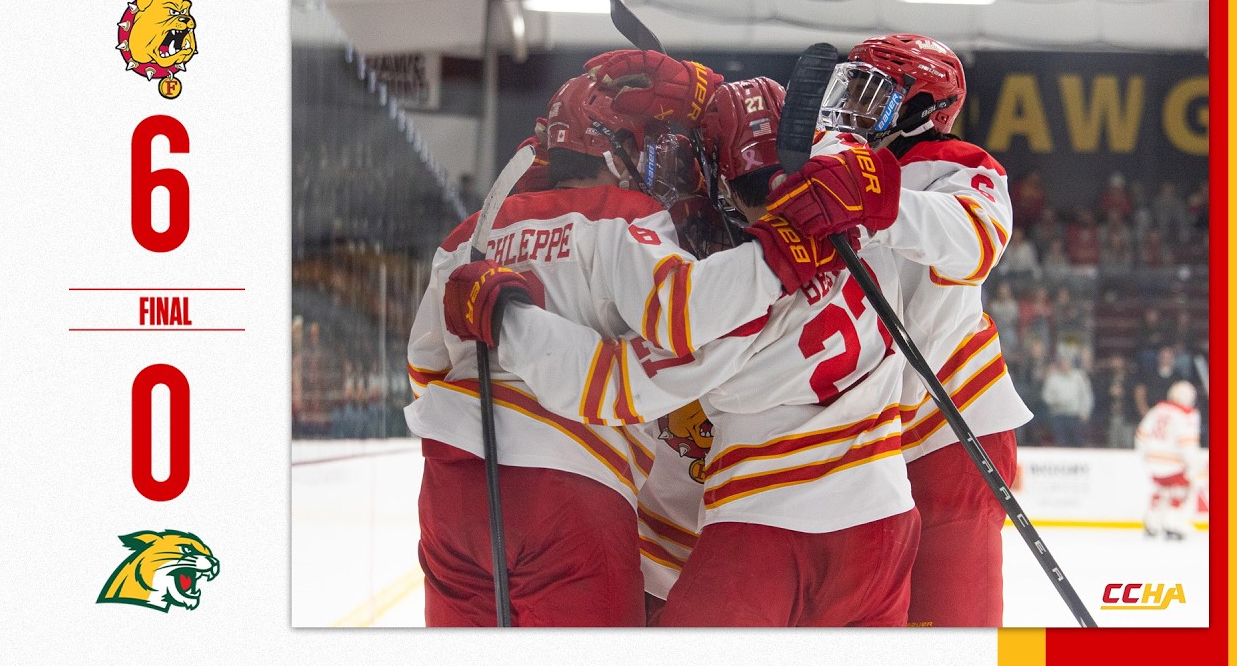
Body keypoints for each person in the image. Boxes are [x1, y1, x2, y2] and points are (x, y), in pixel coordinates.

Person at [452, 72, 923, 627]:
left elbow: (611, 386)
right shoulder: (875, 243)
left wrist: (507, 318)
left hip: (771, 525)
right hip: (886, 526)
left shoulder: (733, 297)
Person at [782, 33, 1032, 626]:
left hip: (950, 426)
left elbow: (973, 239)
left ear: (924, 110)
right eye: (849, 86)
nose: (851, 106)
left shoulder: (964, 165)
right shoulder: (830, 161)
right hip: (862, 434)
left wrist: (872, 196)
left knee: (950, 623)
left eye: (874, 93)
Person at [1135, 380, 1202, 539]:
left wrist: (1145, 455)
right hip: (1174, 463)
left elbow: (1141, 434)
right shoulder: (1186, 415)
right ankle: (1172, 524)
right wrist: (1193, 465)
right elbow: (1186, 443)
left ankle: (1151, 523)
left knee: (1159, 491)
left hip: (1153, 462)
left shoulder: (1157, 410)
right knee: (1180, 492)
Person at [1041, 354, 1094, 446]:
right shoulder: (1053, 378)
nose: (1065, 365)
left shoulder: (1079, 377)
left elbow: (1086, 395)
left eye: (1067, 363)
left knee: (1078, 443)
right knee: (1061, 443)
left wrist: (1085, 412)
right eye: (1063, 363)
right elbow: (1046, 396)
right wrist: (1056, 402)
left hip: (1075, 416)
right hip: (1058, 416)